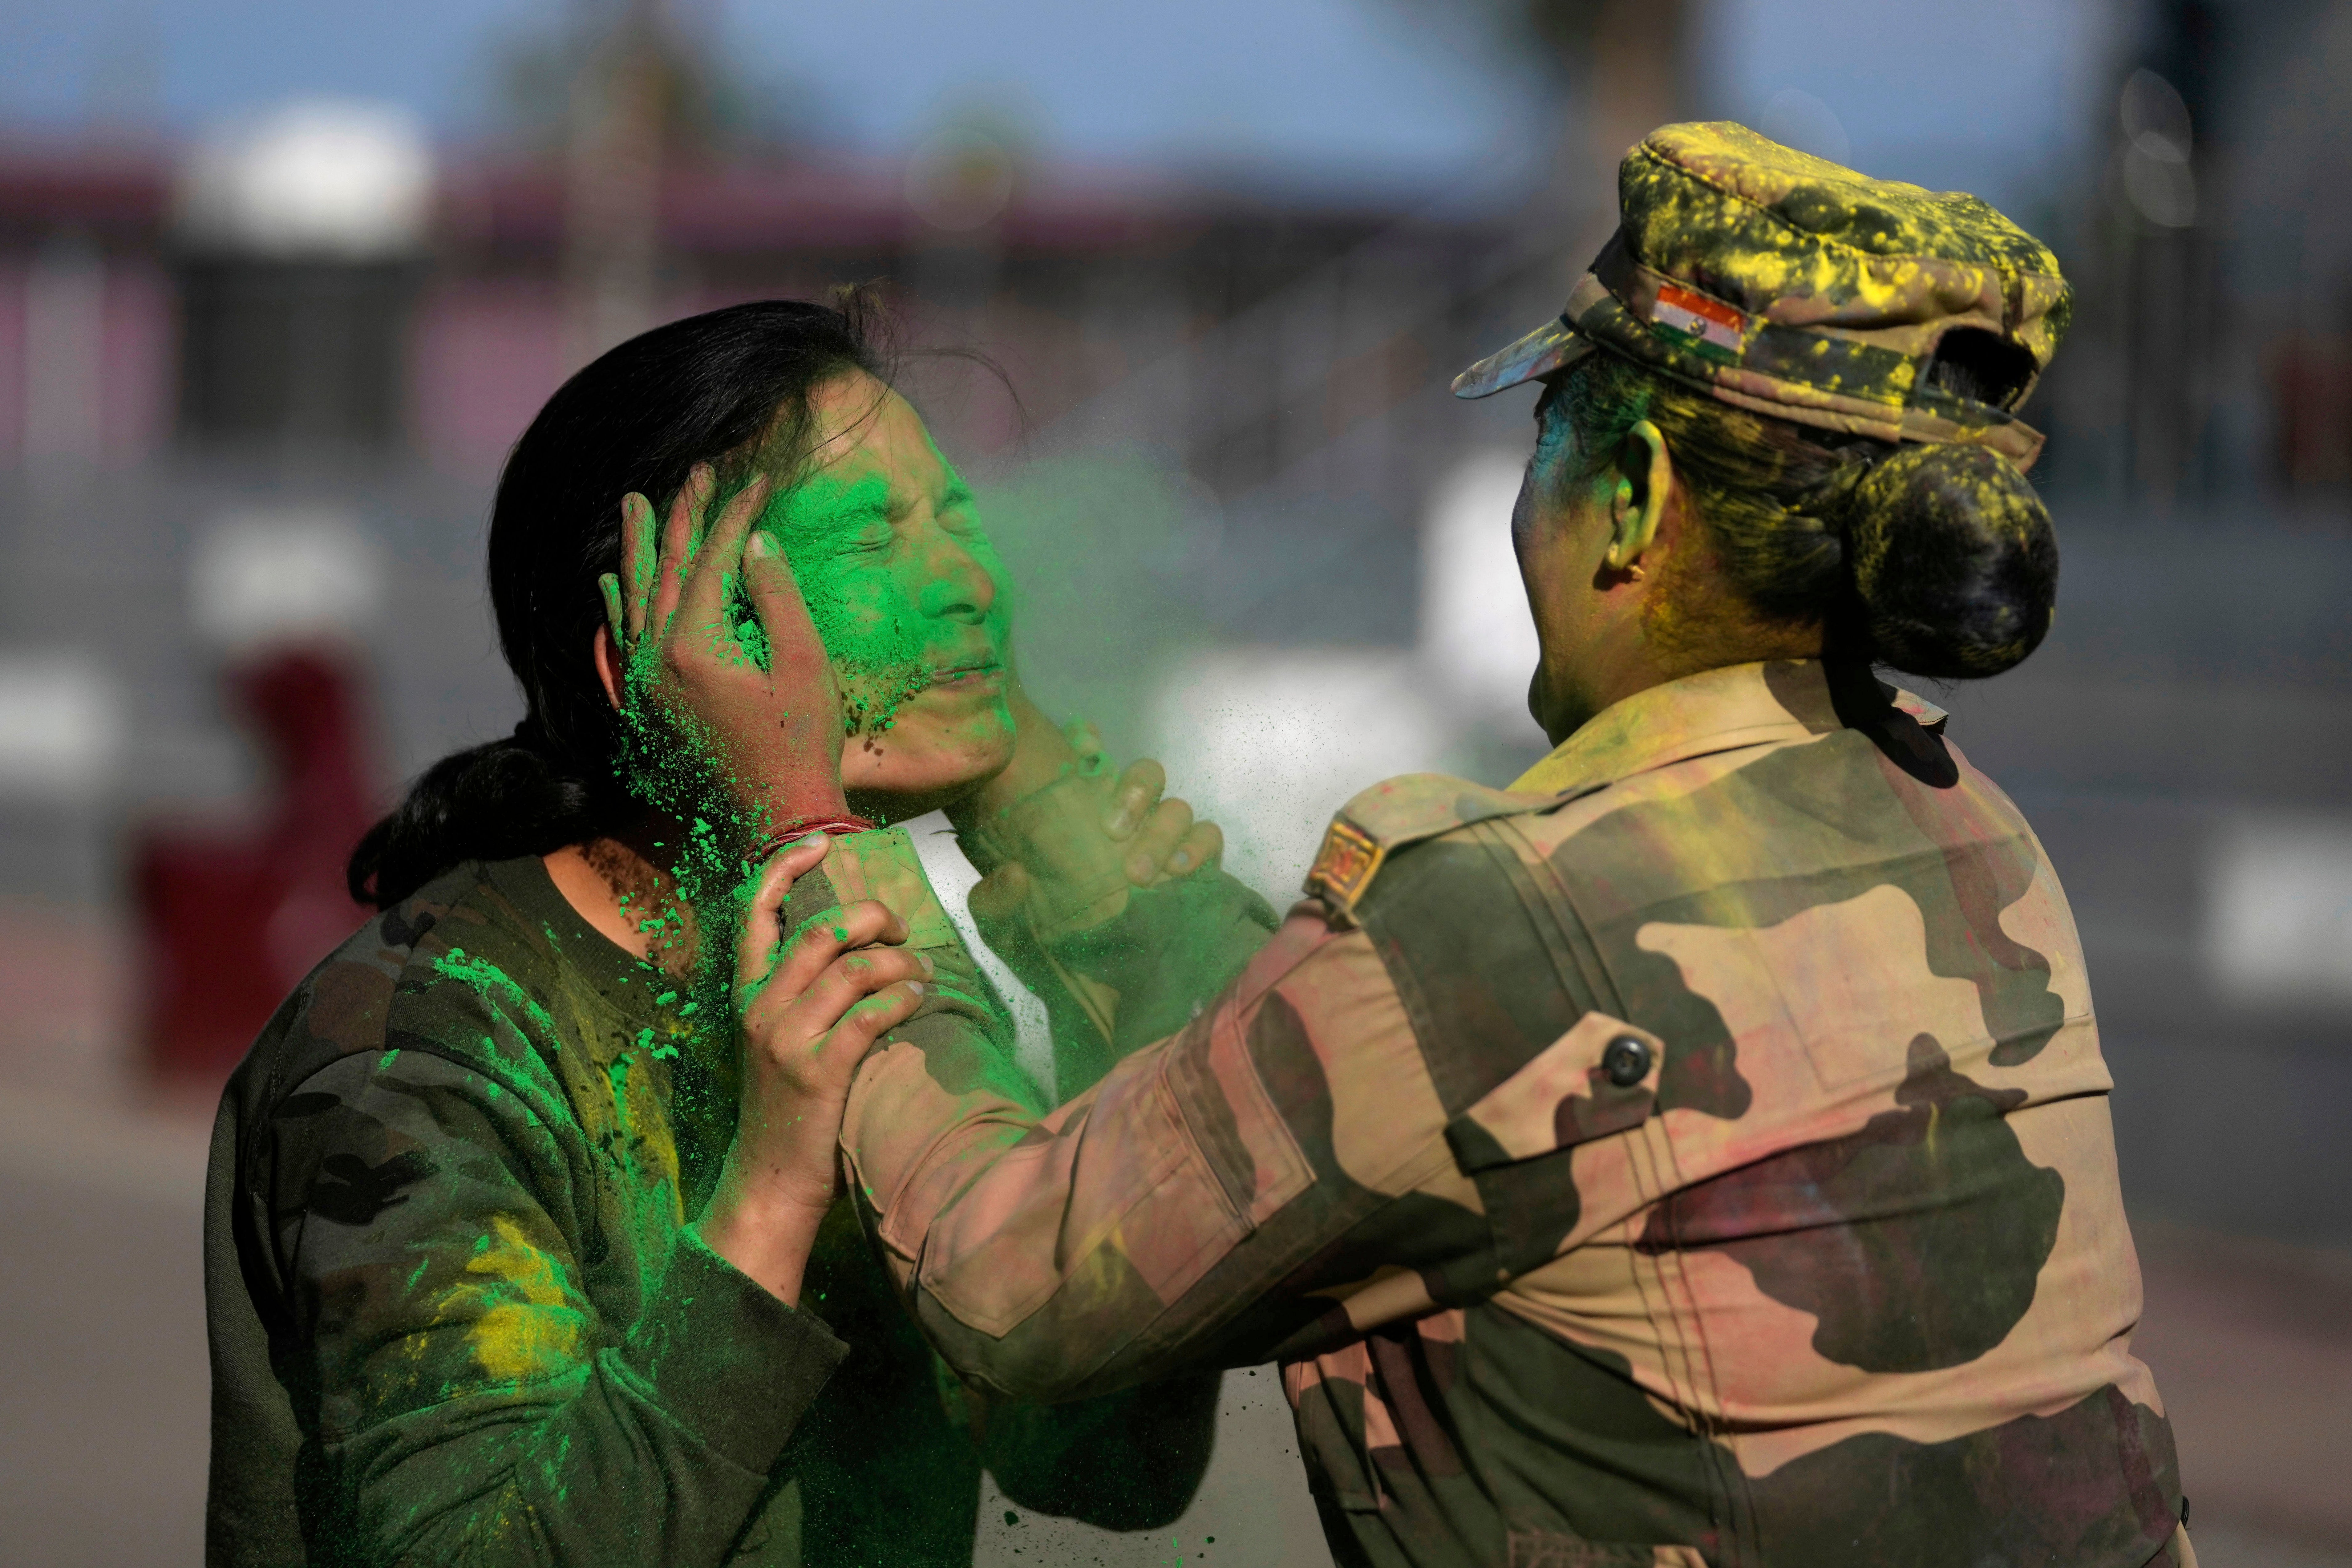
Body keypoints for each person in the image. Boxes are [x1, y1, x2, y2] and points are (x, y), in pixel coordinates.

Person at [805, 124, 2195, 1566]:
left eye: (1545, 436)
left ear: (1638, 500)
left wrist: (841, 892)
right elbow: (1365, 1079)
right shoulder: (1961, 820)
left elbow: (1008, 1278)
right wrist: (1031, 792)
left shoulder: (1511, 911)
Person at [202, 297, 1270, 1567]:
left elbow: (1110, 1462)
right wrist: (768, 1194)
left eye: (959, 518)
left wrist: (1121, 974)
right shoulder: (426, 1046)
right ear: (662, 652)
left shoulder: (868, 956)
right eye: (876, 538)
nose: (971, 582)